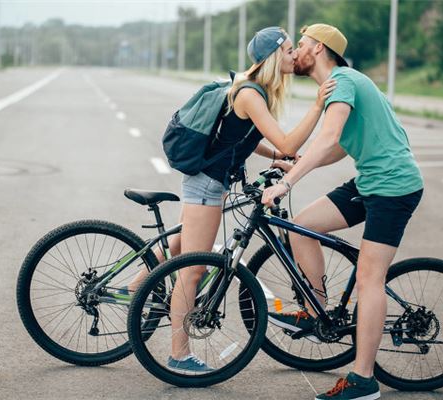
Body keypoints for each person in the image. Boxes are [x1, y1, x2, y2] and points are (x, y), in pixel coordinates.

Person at [156, 26, 336, 373]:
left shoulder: (255, 91)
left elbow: (241, 137)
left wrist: (272, 157)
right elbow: (289, 143)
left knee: (179, 250)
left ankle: (136, 289)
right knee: (193, 271)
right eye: (287, 51)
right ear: (272, 57)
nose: (293, 56)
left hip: (209, 181)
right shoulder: (250, 93)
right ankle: (179, 356)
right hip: (207, 184)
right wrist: (317, 107)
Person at [262, 24, 423, 400]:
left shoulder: (343, 80)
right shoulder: (335, 86)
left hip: (393, 187)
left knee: (369, 279)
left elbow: (330, 138)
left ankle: (363, 380)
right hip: (370, 182)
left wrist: (288, 184)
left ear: (318, 48)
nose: (295, 51)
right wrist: (297, 165)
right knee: (299, 226)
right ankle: (314, 310)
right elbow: (340, 147)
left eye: (300, 45)